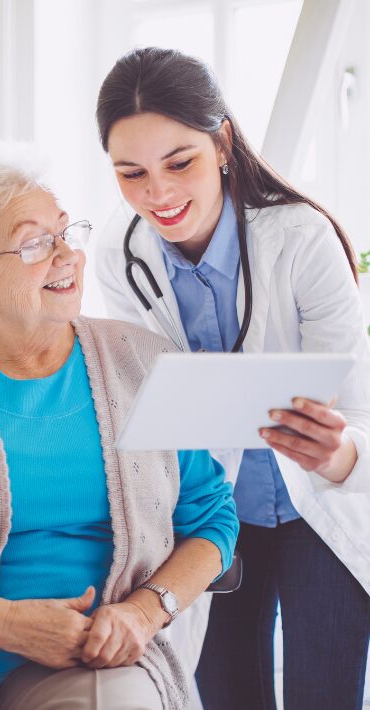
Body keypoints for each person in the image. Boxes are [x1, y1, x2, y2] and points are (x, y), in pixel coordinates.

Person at [0, 140, 238, 710]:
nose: (66, 255)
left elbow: (211, 519)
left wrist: (142, 611)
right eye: (33, 242)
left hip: (95, 653)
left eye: (65, 232)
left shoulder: (144, 362)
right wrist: (5, 623)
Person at [95, 47, 370, 710]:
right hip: (208, 521)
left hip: (319, 515)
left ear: (220, 145)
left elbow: (358, 409)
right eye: (130, 173)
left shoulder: (300, 239)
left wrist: (338, 455)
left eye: (179, 162)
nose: (157, 194)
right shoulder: (120, 254)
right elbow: (154, 407)